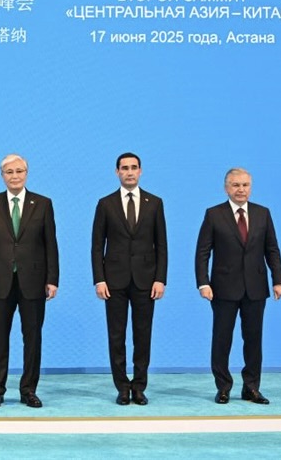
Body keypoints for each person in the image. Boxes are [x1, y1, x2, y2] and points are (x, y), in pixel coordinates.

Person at [195, 168, 281, 405]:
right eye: (235, 185)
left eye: (245, 185)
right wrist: (203, 283)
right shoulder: (214, 214)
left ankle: (251, 388)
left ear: (250, 188)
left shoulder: (263, 213)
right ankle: (223, 387)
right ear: (226, 188)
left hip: (255, 288)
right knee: (222, 339)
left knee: (253, 340)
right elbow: (203, 252)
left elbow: (272, 249)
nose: (241, 189)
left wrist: (278, 280)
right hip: (223, 288)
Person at [0, 154, 59, 408]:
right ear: (2, 175)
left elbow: (51, 244)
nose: (15, 176)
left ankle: (28, 390)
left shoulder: (43, 204)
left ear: (26, 173)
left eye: (19, 171)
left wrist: (52, 279)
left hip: (34, 281)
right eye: (9, 172)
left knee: (32, 338)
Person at [92, 152, 168, 406]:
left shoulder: (154, 203)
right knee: (116, 336)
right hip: (113, 281)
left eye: (134, 167)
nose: (129, 172)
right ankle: (122, 386)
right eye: (124, 168)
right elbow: (97, 246)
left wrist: (160, 278)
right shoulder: (106, 204)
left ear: (141, 171)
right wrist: (99, 279)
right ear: (117, 172)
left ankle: (139, 387)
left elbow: (162, 245)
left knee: (142, 335)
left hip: (146, 280)